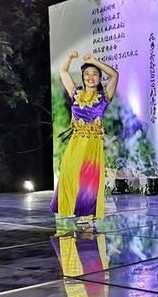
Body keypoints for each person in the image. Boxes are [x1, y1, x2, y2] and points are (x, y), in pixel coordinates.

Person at [50, 51, 119, 227]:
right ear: (82, 77)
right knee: (69, 173)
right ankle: (74, 207)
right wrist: (69, 57)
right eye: (87, 74)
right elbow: (63, 71)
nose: (90, 77)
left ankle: (88, 214)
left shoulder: (104, 97)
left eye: (95, 74)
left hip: (93, 142)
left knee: (89, 178)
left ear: (99, 78)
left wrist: (94, 61)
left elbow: (114, 75)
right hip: (76, 141)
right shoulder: (75, 93)